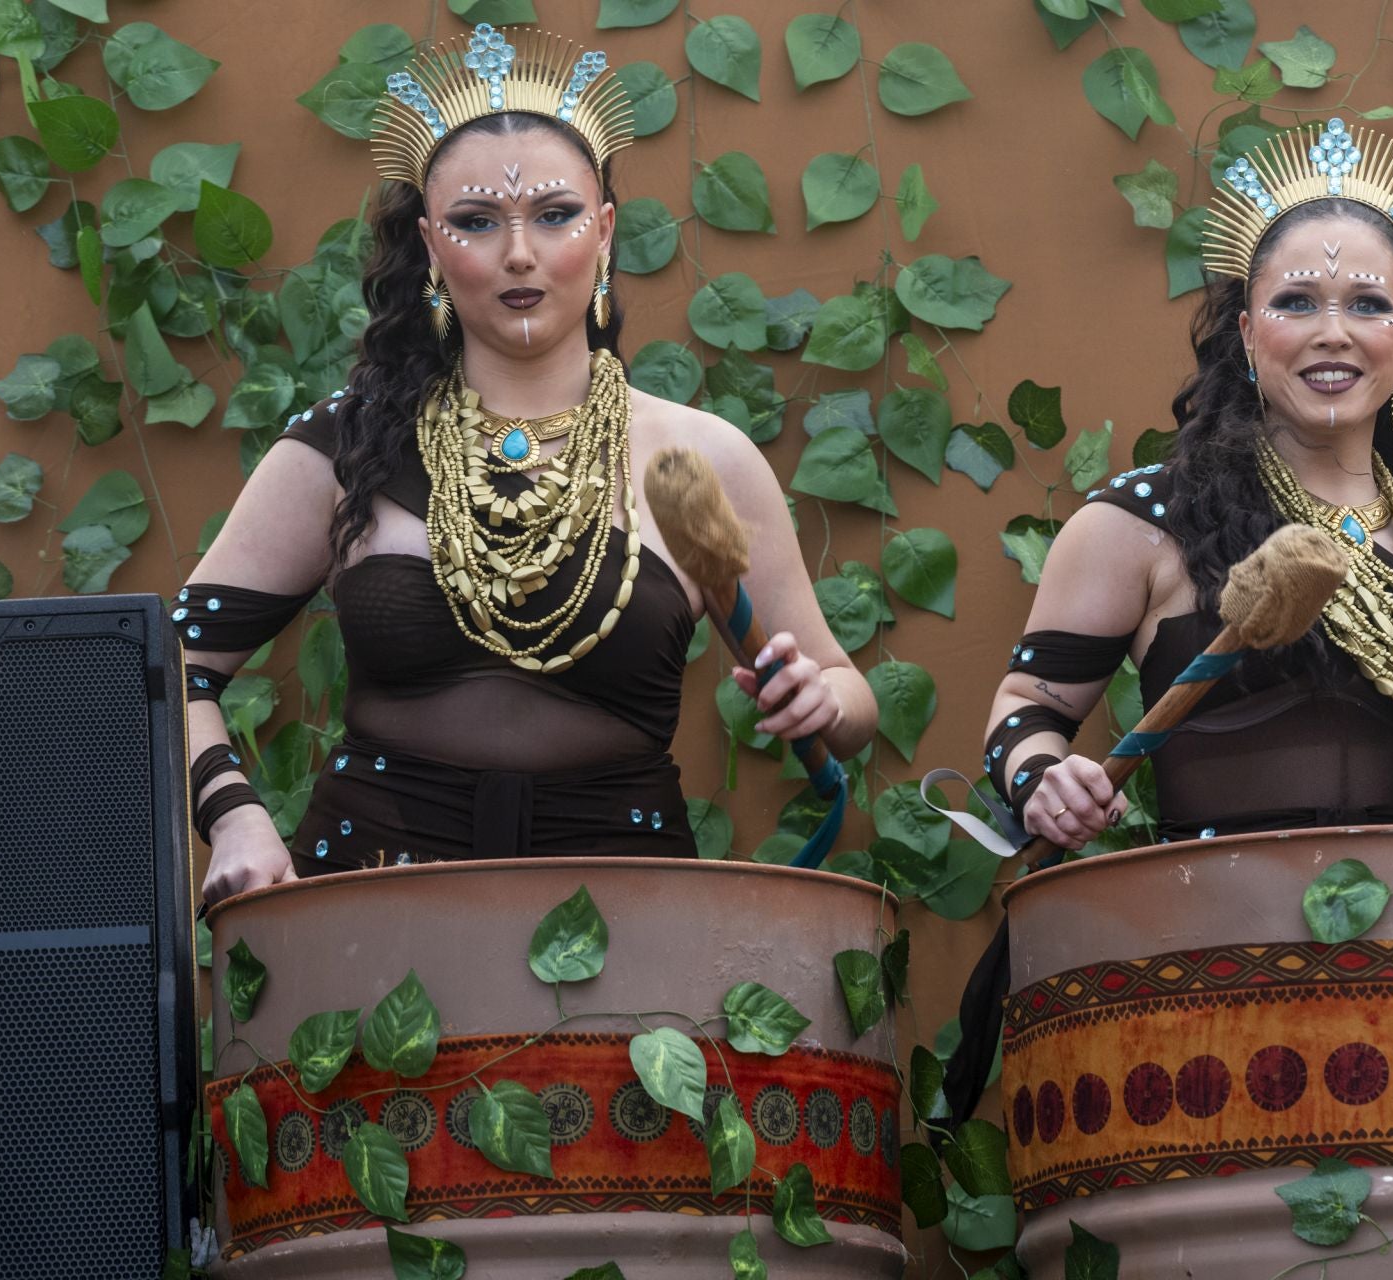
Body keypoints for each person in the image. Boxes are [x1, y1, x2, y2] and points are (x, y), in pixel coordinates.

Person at [180, 25, 875, 904]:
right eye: (477, 222)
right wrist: (232, 810)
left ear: (606, 230)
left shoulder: (702, 460)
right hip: (363, 917)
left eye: (554, 215)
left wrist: (823, 704)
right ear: (432, 248)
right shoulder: (347, 446)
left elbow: (850, 703)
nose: (519, 252)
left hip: (630, 932)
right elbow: (172, 664)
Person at [981, 120, 1393, 849]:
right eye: (1297, 302)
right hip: (1202, 946)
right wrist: (1040, 779)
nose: (1333, 332)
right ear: (1248, 334)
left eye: (1369, 305)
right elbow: (1027, 706)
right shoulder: (1143, 526)